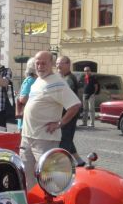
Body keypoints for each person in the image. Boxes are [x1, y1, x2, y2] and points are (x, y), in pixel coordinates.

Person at [21, 51, 81, 185]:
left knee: (47, 179)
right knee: (26, 176)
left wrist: (60, 123)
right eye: (38, 63)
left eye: (44, 63)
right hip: (27, 137)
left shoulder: (57, 83)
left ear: (51, 64)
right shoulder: (38, 80)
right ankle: (32, 203)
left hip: (45, 139)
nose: (40, 66)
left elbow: (75, 105)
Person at [56, 56, 85, 167]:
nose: (58, 65)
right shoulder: (63, 77)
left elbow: (62, 96)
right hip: (65, 113)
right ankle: (79, 160)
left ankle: (64, 165)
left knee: (65, 139)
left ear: (68, 65)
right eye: (57, 63)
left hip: (69, 114)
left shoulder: (69, 79)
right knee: (66, 138)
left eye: (61, 63)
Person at [16, 58, 37, 130]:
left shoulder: (33, 79)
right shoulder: (31, 80)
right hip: (26, 120)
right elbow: (23, 98)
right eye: (38, 64)